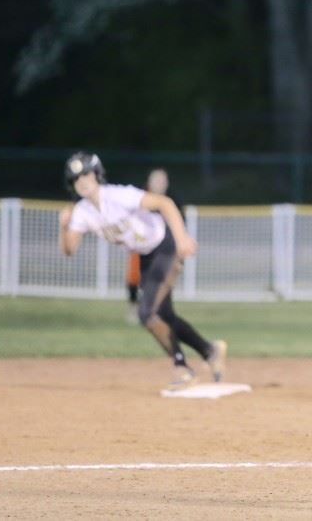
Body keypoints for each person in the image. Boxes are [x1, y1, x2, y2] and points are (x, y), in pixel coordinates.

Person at [57, 152, 227, 391]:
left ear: (97, 175)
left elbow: (164, 203)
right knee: (164, 316)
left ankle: (183, 368)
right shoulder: (83, 212)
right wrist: (64, 227)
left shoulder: (118, 195)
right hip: (147, 256)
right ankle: (210, 351)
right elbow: (69, 249)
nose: (82, 181)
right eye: (76, 178)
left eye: (86, 174)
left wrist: (181, 239)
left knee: (147, 313)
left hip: (165, 245)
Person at [125, 168, 174, 324]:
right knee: (135, 276)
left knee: (163, 282)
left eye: (163, 181)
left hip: (163, 251)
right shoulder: (142, 197)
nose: (161, 184)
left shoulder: (171, 201)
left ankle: (159, 312)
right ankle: (138, 308)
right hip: (142, 248)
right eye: (158, 181)